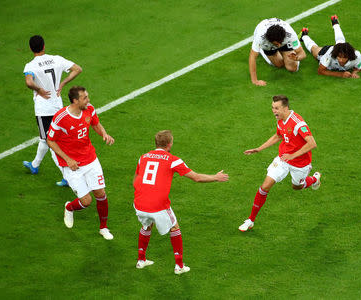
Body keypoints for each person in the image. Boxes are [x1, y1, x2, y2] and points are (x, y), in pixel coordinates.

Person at [133, 130, 229, 274]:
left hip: (139, 203)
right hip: (158, 205)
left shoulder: (143, 158)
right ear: (169, 144)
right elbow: (196, 177)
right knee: (174, 227)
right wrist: (216, 177)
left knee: (147, 225)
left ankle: (141, 261)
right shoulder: (173, 160)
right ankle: (179, 266)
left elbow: (135, 180)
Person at [239, 95, 321, 232]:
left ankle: (314, 179)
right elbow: (278, 136)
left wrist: (293, 155)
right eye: (272, 107)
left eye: (276, 108)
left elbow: (312, 143)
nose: (273, 111)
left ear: (285, 108)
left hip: (300, 163)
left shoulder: (298, 123)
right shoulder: (280, 120)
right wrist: (259, 149)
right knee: (265, 186)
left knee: (297, 186)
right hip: (283, 159)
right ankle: (250, 220)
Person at [47, 86, 115, 240]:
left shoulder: (89, 109)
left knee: (101, 193)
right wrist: (67, 159)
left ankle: (103, 228)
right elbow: (50, 140)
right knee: (86, 201)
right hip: (73, 164)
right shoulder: (61, 117)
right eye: (84, 98)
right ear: (75, 101)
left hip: (90, 159)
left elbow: (96, 124)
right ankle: (69, 207)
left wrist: (104, 134)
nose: (88, 100)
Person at [23, 35, 82, 186]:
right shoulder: (56, 59)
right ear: (44, 46)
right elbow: (77, 69)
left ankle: (67, 175)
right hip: (57, 106)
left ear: (31, 48)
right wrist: (63, 83)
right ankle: (35, 165)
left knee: (51, 141)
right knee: (46, 139)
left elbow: (29, 82)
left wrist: (39, 89)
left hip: (43, 109)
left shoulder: (31, 65)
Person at [249, 18, 306, 86]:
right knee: (279, 64)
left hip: (284, 43)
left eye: (280, 43)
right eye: (276, 44)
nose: (279, 45)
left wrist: (297, 57)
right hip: (268, 45)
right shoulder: (260, 38)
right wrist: (255, 81)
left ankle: (285, 50)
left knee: (292, 68)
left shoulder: (290, 34)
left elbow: (302, 53)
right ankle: (261, 50)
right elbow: (252, 57)